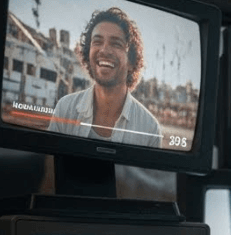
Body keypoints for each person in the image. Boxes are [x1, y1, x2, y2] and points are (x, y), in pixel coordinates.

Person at [47, 8, 161, 148]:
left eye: (116, 43)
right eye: (97, 42)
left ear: (131, 62)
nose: (104, 50)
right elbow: (50, 162)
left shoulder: (150, 129)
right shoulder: (65, 109)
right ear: (88, 55)